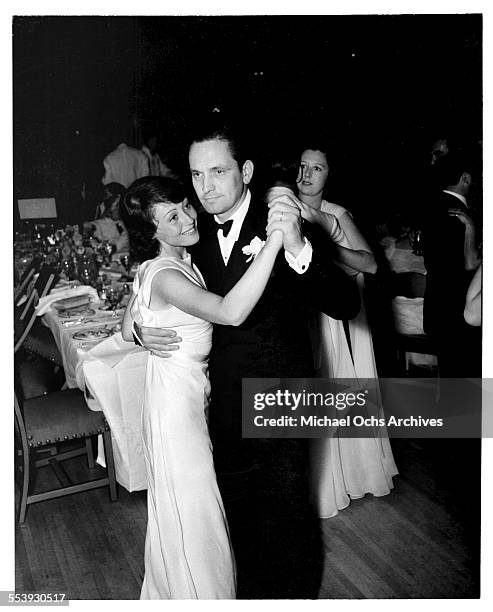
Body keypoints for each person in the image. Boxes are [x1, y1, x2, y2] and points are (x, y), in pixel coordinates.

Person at [134, 123, 360, 598]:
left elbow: (345, 303)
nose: (205, 187)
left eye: (218, 172)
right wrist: (136, 326)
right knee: (239, 519)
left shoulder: (280, 217)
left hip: (284, 394)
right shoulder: (191, 228)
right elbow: (161, 285)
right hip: (220, 402)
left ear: (247, 171)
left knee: (289, 519)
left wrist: (296, 244)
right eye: (196, 175)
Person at [121, 176, 288, 598]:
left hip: (185, 398)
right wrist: (274, 242)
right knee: (196, 514)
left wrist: (141, 333)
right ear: (151, 232)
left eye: (183, 205)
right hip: (174, 410)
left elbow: (127, 325)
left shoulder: (170, 263)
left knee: (193, 511)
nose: (187, 218)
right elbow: (230, 313)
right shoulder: (164, 273)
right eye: (171, 217)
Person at [277, 145, 398, 518]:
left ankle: (345, 477)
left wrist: (328, 249)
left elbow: (371, 264)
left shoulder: (336, 214)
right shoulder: (281, 206)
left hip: (329, 314)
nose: (307, 174)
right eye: (302, 166)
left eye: (317, 168)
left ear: (329, 175)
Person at [423, 152, 481, 377]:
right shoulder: (461, 214)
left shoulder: (432, 206)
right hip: (459, 316)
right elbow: (471, 265)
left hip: (437, 312)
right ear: (465, 178)